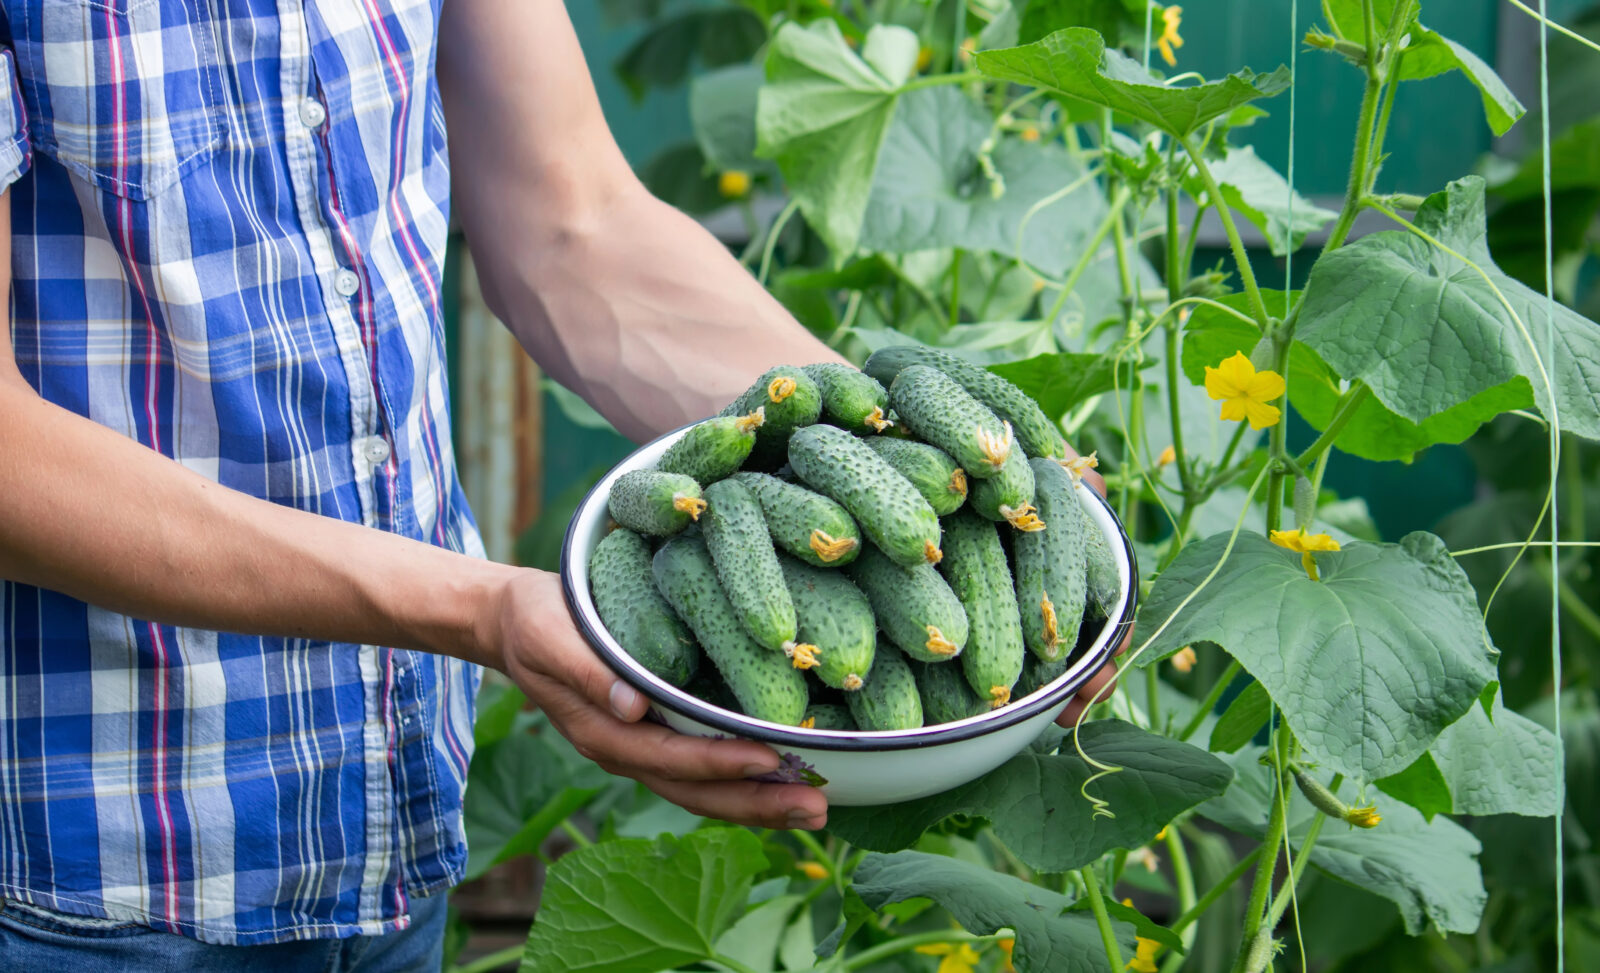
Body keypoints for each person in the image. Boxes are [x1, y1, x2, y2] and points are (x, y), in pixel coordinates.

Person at [0, 0, 1119, 966]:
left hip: (381, 814)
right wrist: (482, 606)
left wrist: (914, 478)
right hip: (75, 868)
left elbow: (571, 228)